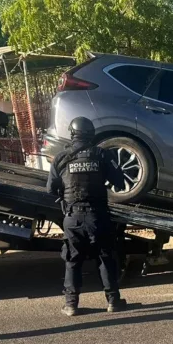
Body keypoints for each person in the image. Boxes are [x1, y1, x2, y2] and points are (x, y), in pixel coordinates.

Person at [46, 117, 128, 316]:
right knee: (105, 257)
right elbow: (119, 181)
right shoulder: (102, 155)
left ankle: (71, 304)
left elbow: (50, 189)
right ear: (91, 134)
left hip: (72, 218)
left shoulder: (61, 157)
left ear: (72, 133)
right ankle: (113, 301)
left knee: (72, 260)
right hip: (98, 216)